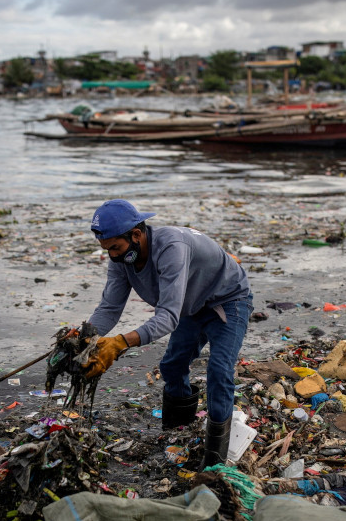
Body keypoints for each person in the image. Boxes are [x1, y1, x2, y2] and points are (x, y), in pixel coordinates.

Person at [80, 199, 252, 468]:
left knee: (219, 370)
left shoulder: (172, 247)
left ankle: (214, 460)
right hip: (190, 305)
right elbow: (110, 308)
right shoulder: (121, 258)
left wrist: (122, 343)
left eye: (115, 247)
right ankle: (177, 432)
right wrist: (85, 337)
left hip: (227, 300)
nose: (112, 255)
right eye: (107, 250)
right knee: (172, 365)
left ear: (136, 234)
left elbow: (168, 317)